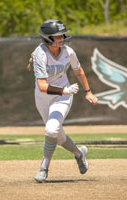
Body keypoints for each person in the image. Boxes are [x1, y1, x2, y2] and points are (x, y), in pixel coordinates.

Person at [31, 19, 98, 183]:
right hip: (43, 97)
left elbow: (79, 71)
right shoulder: (40, 54)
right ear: (47, 38)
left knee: (51, 130)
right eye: (57, 36)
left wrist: (88, 91)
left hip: (64, 96)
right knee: (56, 135)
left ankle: (44, 167)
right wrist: (64, 90)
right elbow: (42, 86)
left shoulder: (68, 52)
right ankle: (79, 154)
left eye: (62, 34)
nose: (62, 37)